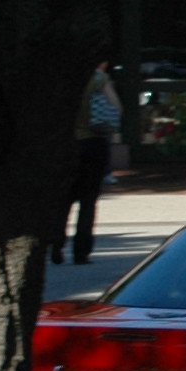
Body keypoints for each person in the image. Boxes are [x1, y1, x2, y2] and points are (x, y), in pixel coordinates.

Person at [59, 62, 121, 265]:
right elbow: (116, 108)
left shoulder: (62, 76)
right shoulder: (98, 79)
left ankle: (55, 244)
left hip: (66, 143)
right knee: (88, 201)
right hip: (93, 143)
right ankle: (81, 250)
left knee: (62, 199)